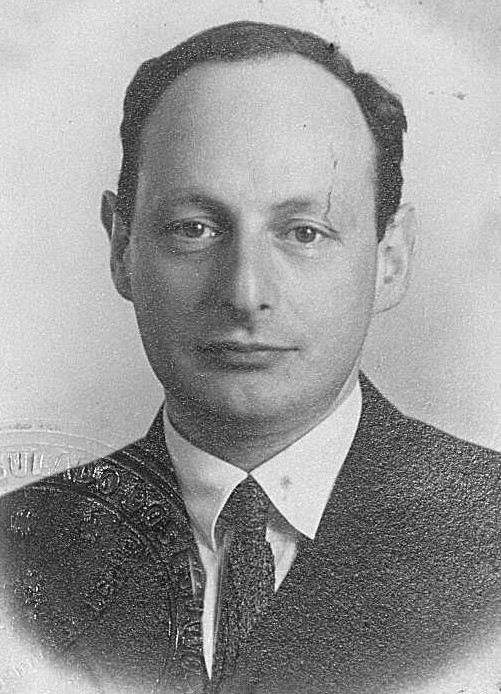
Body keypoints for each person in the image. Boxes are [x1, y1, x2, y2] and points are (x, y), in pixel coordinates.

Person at [1, 20, 500, 694]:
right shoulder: (16, 555)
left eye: (304, 232)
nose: (244, 294)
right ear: (122, 248)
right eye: (194, 228)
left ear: (390, 259)